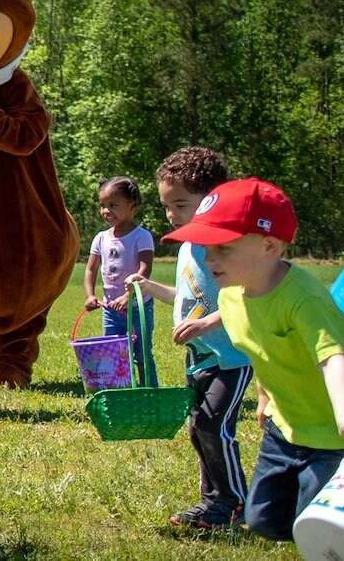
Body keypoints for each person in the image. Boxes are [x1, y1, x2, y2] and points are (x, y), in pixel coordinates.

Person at [162, 177, 344, 541]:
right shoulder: (232, 295)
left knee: (319, 527)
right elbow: (258, 342)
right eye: (207, 247)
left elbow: (332, 356)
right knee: (264, 520)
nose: (209, 258)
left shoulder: (304, 300)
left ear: (269, 245)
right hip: (283, 428)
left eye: (223, 249)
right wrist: (263, 396)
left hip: (329, 435)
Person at [126, 147, 252, 529]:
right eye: (166, 206)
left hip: (230, 358)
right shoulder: (186, 248)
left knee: (214, 427)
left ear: (211, 198)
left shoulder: (228, 244)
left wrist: (207, 324)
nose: (171, 214)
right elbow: (186, 299)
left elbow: (249, 297)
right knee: (199, 430)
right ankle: (211, 500)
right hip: (199, 358)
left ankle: (233, 503)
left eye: (180, 204)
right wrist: (150, 287)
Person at [83, 176, 156, 382]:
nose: (106, 211)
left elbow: (145, 269)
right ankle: (117, 390)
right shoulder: (101, 238)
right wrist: (90, 295)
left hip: (137, 308)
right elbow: (90, 270)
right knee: (112, 354)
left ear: (132, 205)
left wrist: (128, 295)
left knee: (141, 353)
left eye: (113, 205)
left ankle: (148, 390)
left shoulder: (141, 236)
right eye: (103, 205)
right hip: (110, 310)